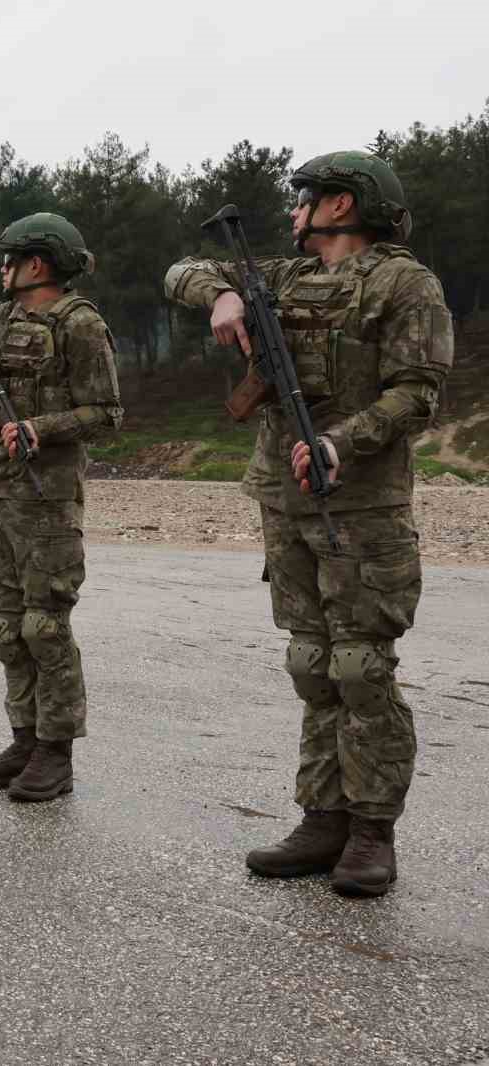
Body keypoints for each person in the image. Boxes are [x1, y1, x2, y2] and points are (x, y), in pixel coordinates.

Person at [165, 150, 452, 897]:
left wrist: (338, 440)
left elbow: (418, 394)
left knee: (360, 666)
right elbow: (181, 270)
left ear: (345, 205)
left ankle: (371, 832)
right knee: (311, 663)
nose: (296, 209)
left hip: (360, 504)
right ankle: (322, 817)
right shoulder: (283, 277)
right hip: (283, 499)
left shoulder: (404, 282)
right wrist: (220, 298)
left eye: (309, 197)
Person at [0, 213, 123, 802]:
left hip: (48, 498)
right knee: (8, 628)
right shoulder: (2, 317)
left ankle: (55, 753)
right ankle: (23, 738)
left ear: (37, 264)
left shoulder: (80, 324)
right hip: (0, 494)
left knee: (45, 626)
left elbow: (108, 414)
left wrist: (42, 427)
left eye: (9, 260)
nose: (1, 269)